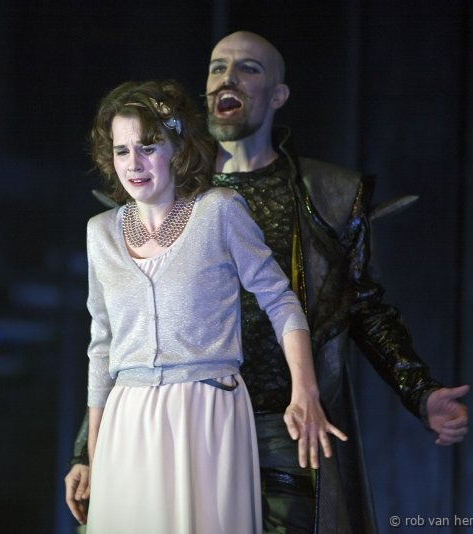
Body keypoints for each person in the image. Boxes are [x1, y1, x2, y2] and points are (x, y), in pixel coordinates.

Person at [67, 31, 469, 533]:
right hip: (165, 415)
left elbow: (363, 307)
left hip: (278, 421)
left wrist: (418, 390)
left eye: (248, 68)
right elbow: (124, 334)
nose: (228, 79)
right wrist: (89, 450)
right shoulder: (153, 193)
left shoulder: (321, 195)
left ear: (279, 94)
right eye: (217, 67)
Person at [78, 79, 347, 534]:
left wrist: (305, 390)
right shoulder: (100, 232)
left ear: (177, 149)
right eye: (122, 150)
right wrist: (93, 455)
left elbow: (280, 300)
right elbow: (101, 345)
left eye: (148, 147)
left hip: (205, 409)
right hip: (128, 417)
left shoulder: (219, 211)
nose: (134, 163)